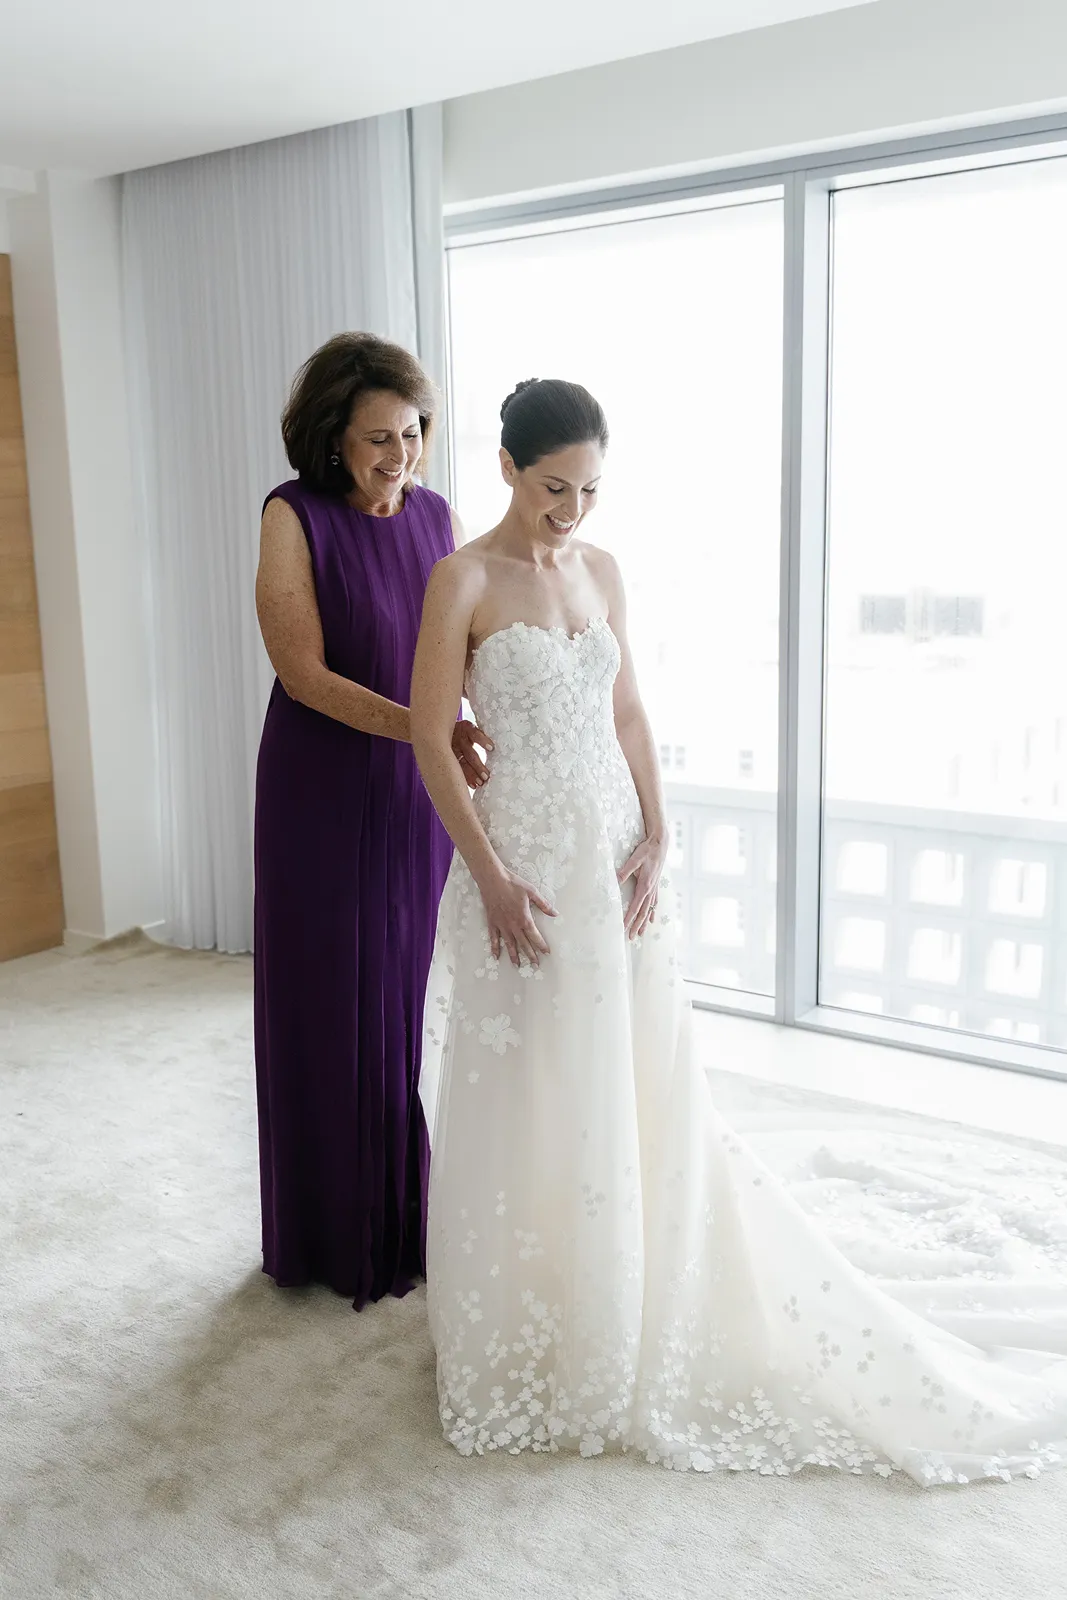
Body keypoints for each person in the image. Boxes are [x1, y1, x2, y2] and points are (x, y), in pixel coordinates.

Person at [409, 376, 1067, 1483]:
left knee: (634, 1083)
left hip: (611, 858)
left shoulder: (602, 572)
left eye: (590, 489)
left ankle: (631, 1282)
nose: (571, 511)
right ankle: (536, 1303)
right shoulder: (461, 577)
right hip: (519, 869)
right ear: (510, 470)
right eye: (554, 487)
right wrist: (489, 878)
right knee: (528, 1089)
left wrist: (659, 833)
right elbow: (433, 738)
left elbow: (624, 711)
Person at [253, 332, 489, 1309]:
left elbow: (465, 647)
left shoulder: (437, 517)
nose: (400, 457)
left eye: (413, 433)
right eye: (378, 439)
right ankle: (323, 1233)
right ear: (331, 438)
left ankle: (401, 1213)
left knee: (396, 1001)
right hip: (320, 782)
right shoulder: (290, 513)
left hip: (410, 791)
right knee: (327, 1001)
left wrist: (466, 728)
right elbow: (301, 671)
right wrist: (422, 729)